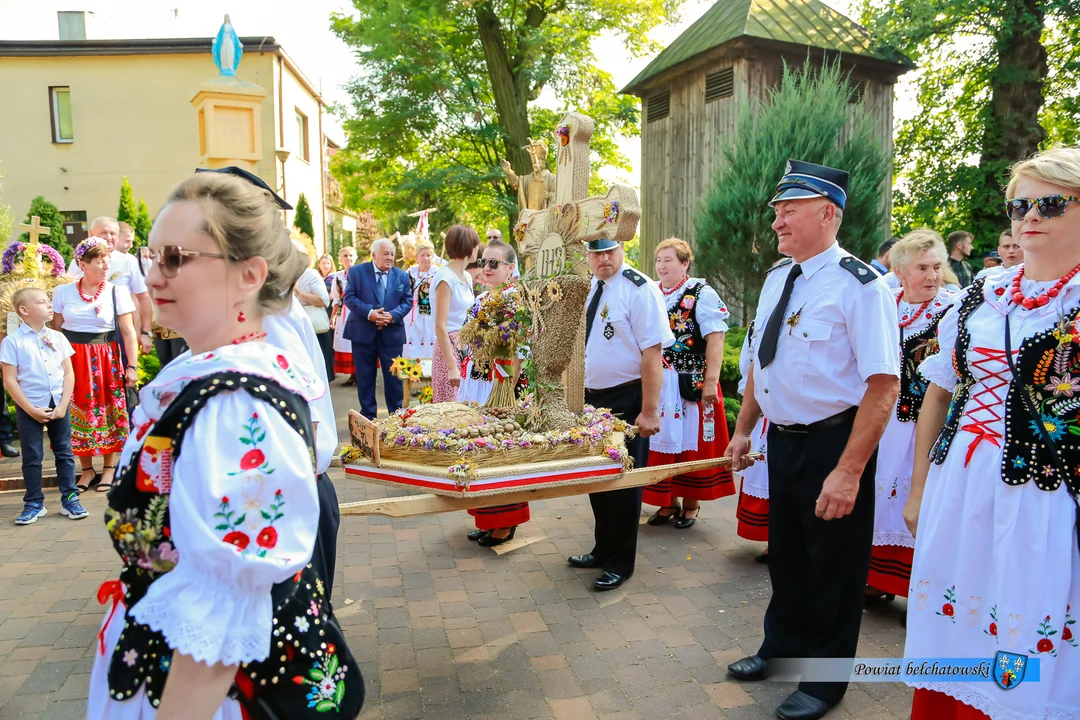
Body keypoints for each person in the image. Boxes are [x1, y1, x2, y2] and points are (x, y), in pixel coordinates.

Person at [87, 168, 364, 719]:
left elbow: (219, 621)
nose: (154, 276)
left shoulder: (234, 404)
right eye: (150, 258)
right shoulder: (209, 376)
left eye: (176, 258)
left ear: (248, 275)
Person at [903, 147, 1080, 719]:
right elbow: (939, 389)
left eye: (1048, 203)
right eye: (1018, 204)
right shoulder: (981, 294)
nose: (1028, 216)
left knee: (1025, 622)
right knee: (957, 627)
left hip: (1043, 496)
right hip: (961, 484)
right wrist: (918, 487)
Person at [725, 160, 900, 720]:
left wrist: (849, 471)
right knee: (790, 558)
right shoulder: (780, 277)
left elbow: (883, 385)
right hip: (784, 441)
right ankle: (782, 651)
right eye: (776, 211)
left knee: (834, 567)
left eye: (788, 210)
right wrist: (745, 425)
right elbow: (762, 361)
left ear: (827, 213)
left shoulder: (861, 285)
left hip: (834, 444)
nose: (776, 221)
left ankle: (825, 681)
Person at [568, 236, 672, 591]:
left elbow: (652, 353)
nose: (603, 258)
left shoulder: (638, 289)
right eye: (596, 253)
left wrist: (649, 411)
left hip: (628, 399)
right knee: (596, 478)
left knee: (623, 483)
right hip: (591, 398)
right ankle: (602, 549)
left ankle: (620, 562)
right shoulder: (589, 288)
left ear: (622, 249)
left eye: (609, 250)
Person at [865, 230, 955, 608]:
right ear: (900, 271)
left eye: (937, 266)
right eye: (923, 267)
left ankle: (920, 591)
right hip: (885, 425)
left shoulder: (952, 310)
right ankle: (880, 579)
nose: (932, 275)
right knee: (882, 500)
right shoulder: (885, 305)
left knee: (921, 502)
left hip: (927, 427)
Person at [645, 238, 735, 529]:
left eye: (668, 260)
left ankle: (691, 504)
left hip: (691, 384)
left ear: (685, 263)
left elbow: (716, 339)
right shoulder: (653, 293)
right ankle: (667, 502)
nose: (661, 266)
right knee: (661, 442)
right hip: (660, 382)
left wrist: (711, 382)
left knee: (692, 443)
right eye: (658, 260)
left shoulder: (701, 293)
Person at [458, 240, 530, 547]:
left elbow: (522, 347)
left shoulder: (517, 300)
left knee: (498, 451)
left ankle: (505, 521)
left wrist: (508, 386)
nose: (485, 268)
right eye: (483, 262)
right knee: (476, 449)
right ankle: (486, 518)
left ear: (510, 268)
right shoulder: (482, 297)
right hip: (475, 379)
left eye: (493, 263)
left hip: (498, 384)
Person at [52, 237, 138, 493]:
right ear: (82, 263)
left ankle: (109, 467)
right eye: (99, 260)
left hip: (106, 357)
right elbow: (57, 330)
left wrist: (131, 366)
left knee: (108, 410)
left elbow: (129, 332)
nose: (105, 265)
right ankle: (86, 470)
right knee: (77, 409)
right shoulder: (63, 292)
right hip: (73, 357)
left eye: (107, 260)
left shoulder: (116, 291)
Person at [1, 288, 86, 525]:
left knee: (64, 451)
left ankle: (70, 497)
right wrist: (29, 409)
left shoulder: (58, 337)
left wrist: (63, 404)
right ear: (24, 310)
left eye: (49, 301)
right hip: (30, 404)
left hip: (58, 402)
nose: (49, 305)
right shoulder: (13, 342)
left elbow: (68, 373)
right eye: (42, 302)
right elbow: (9, 379)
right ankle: (34, 503)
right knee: (32, 455)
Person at [343, 238, 412, 419]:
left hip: (392, 334)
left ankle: (396, 417)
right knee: (365, 378)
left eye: (392, 254)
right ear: (374, 255)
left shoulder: (402, 275)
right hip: (362, 333)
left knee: (394, 379)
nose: (390, 257)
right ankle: (368, 417)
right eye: (385, 254)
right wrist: (370, 313)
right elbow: (349, 297)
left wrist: (393, 315)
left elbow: (407, 301)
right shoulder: (357, 272)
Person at [69, 216, 154, 356]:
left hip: (122, 332)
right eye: (104, 233)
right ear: (91, 234)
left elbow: (143, 297)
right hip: (85, 335)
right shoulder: (77, 262)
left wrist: (145, 332)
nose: (109, 237)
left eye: (113, 233)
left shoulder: (129, 261)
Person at [431, 226, 480, 402]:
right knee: (450, 408)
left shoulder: (466, 276)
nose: (478, 249)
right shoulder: (445, 278)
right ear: (468, 246)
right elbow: (440, 326)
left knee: (467, 405)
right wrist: (451, 366)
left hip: (467, 346)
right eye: (476, 245)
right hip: (449, 348)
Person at [734, 322, 769, 562]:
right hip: (765, 409)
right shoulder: (761, 321)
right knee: (767, 476)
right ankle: (775, 538)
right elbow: (749, 366)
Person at [292, 242, 334, 381]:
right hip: (293, 328)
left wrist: (300, 293)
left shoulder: (310, 274)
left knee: (317, 373)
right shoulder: (282, 273)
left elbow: (324, 301)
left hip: (313, 329)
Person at [403, 240, 438, 359]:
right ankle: (412, 370)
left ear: (433, 257)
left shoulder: (437, 273)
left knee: (428, 338)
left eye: (428, 255)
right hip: (411, 313)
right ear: (417, 257)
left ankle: (429, 368)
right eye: (422, 255)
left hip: (429, 313)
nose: (426, 258)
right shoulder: (409, 273)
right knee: (411, 340)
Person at [329, 246, 357, 385]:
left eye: (351, 255)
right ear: (340, 260)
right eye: (345, 256)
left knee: (358, 341)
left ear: (355, 257)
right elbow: (336, 299)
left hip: (358, 312)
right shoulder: (338, 277)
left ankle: (361, 374)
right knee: (346, 343)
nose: (348, 258)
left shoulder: (361, 273)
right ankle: (352, 374)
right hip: (343, 313)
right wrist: (333, 316)